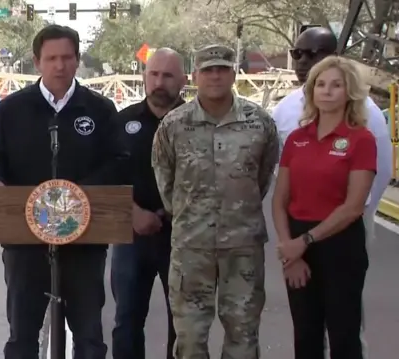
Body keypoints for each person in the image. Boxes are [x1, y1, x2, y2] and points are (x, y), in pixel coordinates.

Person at [0, 24, 129, 359]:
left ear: (77, 61)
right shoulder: (12, 109)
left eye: (67, 57)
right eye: (51, 58)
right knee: (23, 337)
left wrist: (78, 194)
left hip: (85, 241)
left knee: (89, 338)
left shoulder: (99, 110)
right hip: (24, 242)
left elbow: (119, 160)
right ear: (37, 62)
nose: (59, 65)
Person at [151, 44, 279, 359]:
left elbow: (262, 177)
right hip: (192, 249)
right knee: (190, 339)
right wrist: (191, 214)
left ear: (234, 74)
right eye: (208, 70)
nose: (216, 75)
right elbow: (165, 181)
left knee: (243, 334)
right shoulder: (173, 124)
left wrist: (238, 210)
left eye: (222, 68)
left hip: (243, 248)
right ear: (194, 76)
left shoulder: (259, 122)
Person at [271, 27, 391, 357]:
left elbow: (354, 205)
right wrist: (289, 250)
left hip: (340, 244)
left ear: (348, 91)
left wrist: (304, 242)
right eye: (321, 85)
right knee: (305, 336)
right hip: (297, 243)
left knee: (343, 336)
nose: (327, 92)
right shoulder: (297, 138)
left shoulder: (361, 137)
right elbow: (280, 200)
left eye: (336, 85)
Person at [110, 48, 186, 359]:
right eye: (153, 74)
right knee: (127, 320)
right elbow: (106, 176)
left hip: (183, 238)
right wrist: (133, 213)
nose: (159, 82)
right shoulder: (121, 123)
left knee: (183, 324)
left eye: (168, 75)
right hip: (132, 235)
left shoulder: (196, 124)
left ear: (182, 80)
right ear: (144, 77)